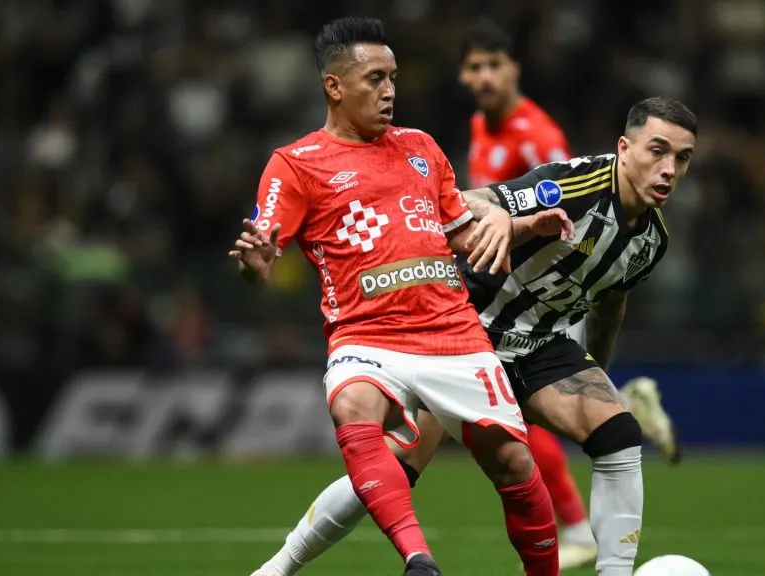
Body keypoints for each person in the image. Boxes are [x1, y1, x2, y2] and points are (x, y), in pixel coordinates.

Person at [255, 96, 697, 576]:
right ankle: (278, 568)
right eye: (658, 150)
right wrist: (503, 217)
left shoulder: (652, 239)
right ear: (625, 147)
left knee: (620, 434)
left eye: (682, 157)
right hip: (468, 332)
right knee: (397, 466)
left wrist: (597, 369)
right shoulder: (574, 186)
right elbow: (468, 202)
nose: (669, 168)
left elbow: (612, 301)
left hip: (541, 346)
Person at [232, 17, 574, 576]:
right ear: (334, 87)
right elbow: (261, 250)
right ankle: (419, 560)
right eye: (374, 79)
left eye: (392, 77)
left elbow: (463, 232)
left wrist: (522, 228)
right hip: (366, 335)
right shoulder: (295, 164)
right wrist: (255, 265)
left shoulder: (421, 148)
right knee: (354, 405)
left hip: (454, 334)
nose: (390, 91)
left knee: (513, 462)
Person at [459, 18, 680, 569]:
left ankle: (581, 527)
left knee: (589, 428)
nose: (484, 77)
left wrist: (514, 224)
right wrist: (497, 225)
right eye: (474, 67)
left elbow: (571, 211)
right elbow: (474, 201)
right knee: (408, 454)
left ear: (515, 70)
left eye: (494, 66)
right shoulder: (483, 128)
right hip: (479, 313)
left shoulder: (540, 138)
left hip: (558, 292)